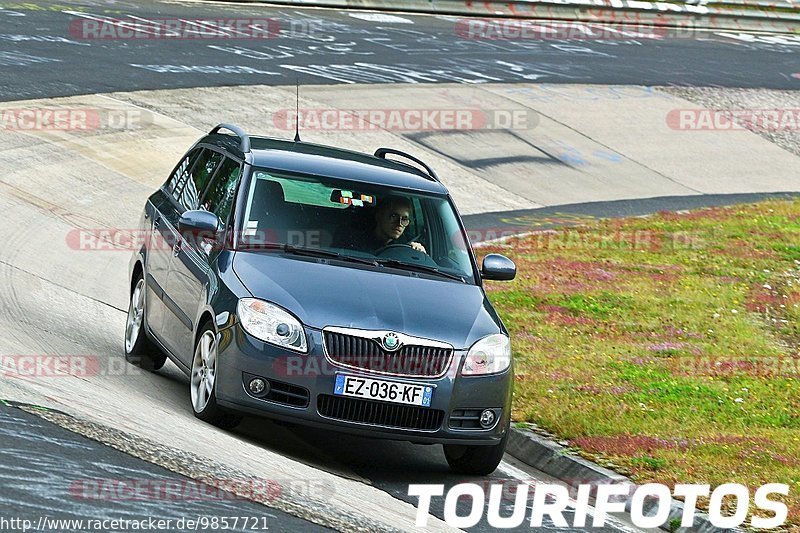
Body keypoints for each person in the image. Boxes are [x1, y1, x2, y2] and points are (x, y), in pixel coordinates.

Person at [339, 196, 427, 254]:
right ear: (379, 216)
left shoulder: (408, 245)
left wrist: (418, 253)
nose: (399, 224)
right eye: (393, 216)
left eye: (404, 219)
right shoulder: (355, 242)